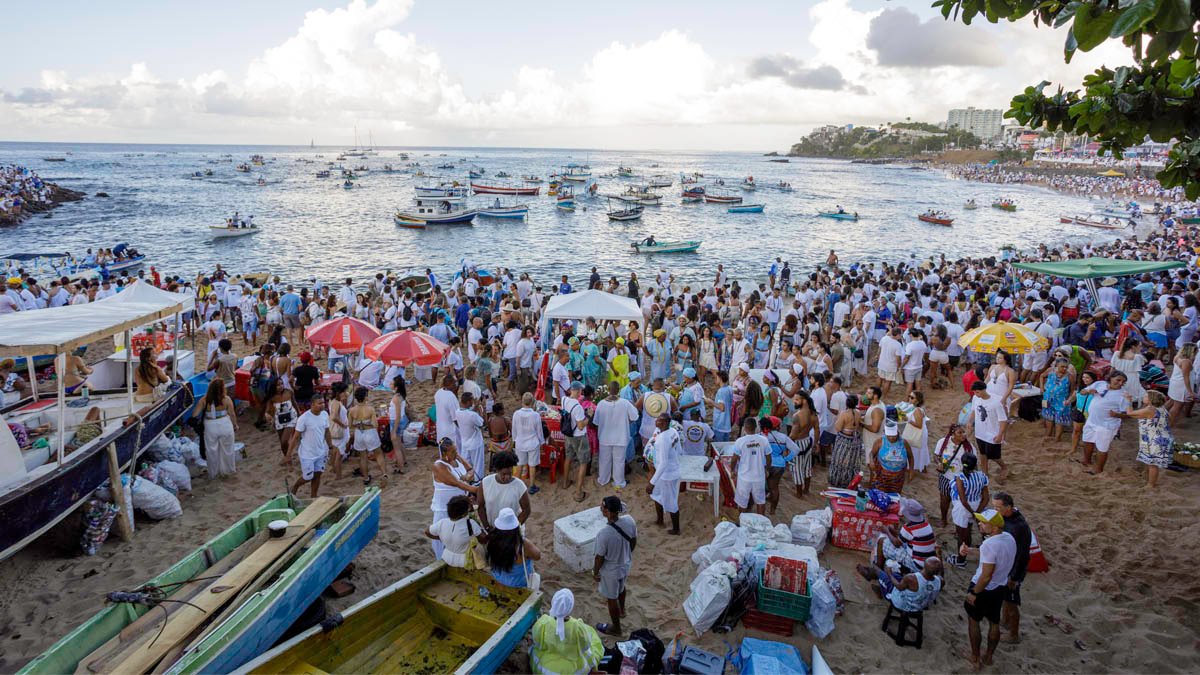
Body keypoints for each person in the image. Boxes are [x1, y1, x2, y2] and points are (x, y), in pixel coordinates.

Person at [961, 509, 1016, 671]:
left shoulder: (990, 544)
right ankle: (989, 656)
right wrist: (970, 551)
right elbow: (992, 556)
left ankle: (975, 657)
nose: (979, 523)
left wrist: (974, 593)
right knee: (994, 622)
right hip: (999, 587)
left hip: (983, 588)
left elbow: (986, 575)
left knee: (973, 621)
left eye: (983, 522)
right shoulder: (1008, 538)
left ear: (994, 527)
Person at [529, 588, 604, 675]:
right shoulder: (578, 627)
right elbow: (585, 646)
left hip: (547, 667)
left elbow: (537, 642)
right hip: (572, 669)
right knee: (592, 641)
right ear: (570, 607)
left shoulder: (543, 622)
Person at [593, 496, 637, 636]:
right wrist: (626, 554)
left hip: (611, 569)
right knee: (622, 587)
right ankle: (622, 610)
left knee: (611, 598)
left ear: (609, 512)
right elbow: (633, 541)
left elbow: (599, 557)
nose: (601, 508)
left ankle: (616, 628)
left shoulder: (604, 534)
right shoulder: (630, 521)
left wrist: (595, 572)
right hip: (625, 563)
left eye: (603, 507)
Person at [992, 492, 1031, 645]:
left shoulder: (1017, 527)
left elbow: (1021, 555)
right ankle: (1005, 621)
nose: (995, 511)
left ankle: (1014, 634)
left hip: (1014, 571)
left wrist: (1014, 577)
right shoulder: (1009, 518)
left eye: (998, 508)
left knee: (1011, 601)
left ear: (1008, 507)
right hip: (1007, 566)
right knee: (1005, 598)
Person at [431, 438, 479, 559]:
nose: (456, 453)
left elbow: (470, 469)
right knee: (443, 537)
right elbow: (456, 483)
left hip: (459, 506)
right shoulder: (439, 466)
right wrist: (475, 490)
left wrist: (466, 477)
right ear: (444, 453)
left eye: (456, 450)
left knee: (458, 536)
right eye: (452, 451)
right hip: (444, 509)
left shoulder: (456, 459)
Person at [1078, 371, 1130, 475]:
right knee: (1087, 441)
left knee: (1102, 448)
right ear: (1110, 378)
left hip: (1107, 425)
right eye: (1118, 380)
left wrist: (1117, 415)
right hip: (1091, 420)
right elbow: (1082, 392)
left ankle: (1098, 469)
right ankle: (1086, 461)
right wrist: (1088, 391)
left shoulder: (1123, 395)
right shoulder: (1100, 384)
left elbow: (1129, 414)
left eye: (1123, 382)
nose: (1120, 383)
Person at [594, 381, 639, 489]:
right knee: (619, 461)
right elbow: (635, 417)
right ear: (618, 390)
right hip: (621, 437)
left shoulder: (601, 404)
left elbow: (596, 422)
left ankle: (603, 479)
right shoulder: (625, 403)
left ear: (608, 390)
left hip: (605, 437)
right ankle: (619, 482)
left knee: (604, 460)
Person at [948, 453, 990, 568]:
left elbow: (963, 500)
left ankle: (961, 560)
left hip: (963, 508)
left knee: (962, 536)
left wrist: (972, 513)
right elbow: (986, 498)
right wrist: (977, 513)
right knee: (969, 529)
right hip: (977, 505)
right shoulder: (982, 476)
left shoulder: (960, 477)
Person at [1126, 390, 1173, 488]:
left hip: (1155, 440)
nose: (1144, 397)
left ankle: (1151, 484)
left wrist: (1128, 401)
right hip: (1159, 437)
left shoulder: (1150, 409)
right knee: (1150, 461)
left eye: (1146, 396)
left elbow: (1130, 413)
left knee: (1153, 464)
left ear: (1151, 399)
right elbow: (1138, 416)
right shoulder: (1161, 408)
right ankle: (1148, 479)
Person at [192, 378, 238, 478]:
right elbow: (232, 414)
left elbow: (194, 414)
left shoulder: (204, 400)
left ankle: (213, 473)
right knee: (228, 449)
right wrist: (235, 425)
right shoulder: (226, 399)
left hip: (210, 425)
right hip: (225, 424)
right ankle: (228, 470)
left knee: (212, 450)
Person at [287, 396, 331, 498]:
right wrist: (288, 454)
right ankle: (296, 487)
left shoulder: (325, 414)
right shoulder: (304, 418)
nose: (322, 405)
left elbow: (327, 431)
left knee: (318, 474)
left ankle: (313, 496)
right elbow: (296, 437)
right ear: (312, 404)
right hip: (307, 453)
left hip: (321, 451)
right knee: (308, 477)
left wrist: (331, 446)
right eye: (319, 403)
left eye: (323, 403)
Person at [424, 494, 484, 568]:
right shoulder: (471, 523)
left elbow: (427, 531)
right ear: (467, 509)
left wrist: (440, 538)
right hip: (465, 561)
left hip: (446, 557)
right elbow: (483, 540)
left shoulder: (442, 522)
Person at [487, 507, 541, 588]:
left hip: (498, 577)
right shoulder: (523, 544)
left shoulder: (493, 539)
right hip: (518, 582)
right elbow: (537, 556)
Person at [647, 415, 682, 534]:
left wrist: (652, 482)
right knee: (656, 495)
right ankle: (660, 520)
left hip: (667, 475)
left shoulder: (663, 440)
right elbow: (678, 449)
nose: (656, 421)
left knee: (671, 502)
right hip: (668, 471)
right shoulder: (673, 431)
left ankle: (676, 529)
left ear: (666, 423)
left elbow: (664, 463)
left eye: (659, 420)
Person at [478, 450, 531, 530]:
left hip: (512, 531)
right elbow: (481, 507)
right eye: (504, 474)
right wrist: (487, 527)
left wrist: (514, 528)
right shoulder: (485, 482)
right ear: (497, 470)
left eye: (510, 473)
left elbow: (526, 510)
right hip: (492, 529)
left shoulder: (519, 486)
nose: (507, 477)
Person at [934, 424, 974, 526]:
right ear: (953, 434)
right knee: (944, 499)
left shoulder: (969, 448)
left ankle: (960, 524)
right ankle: (944, 519)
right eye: (960, 433)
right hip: (946, 477)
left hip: (961, 479)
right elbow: (936, 455)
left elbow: (974, 464)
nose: (963, 435)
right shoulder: (943, 442)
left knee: (960, 503)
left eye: (964, 432)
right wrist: (939, 463)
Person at [967, 381, 1009, 479]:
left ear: (984, 390)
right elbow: (973, 410)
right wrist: (969, 421)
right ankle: (985, 473)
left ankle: (1004, 467)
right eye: (974, 392)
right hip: (980, 432)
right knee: (982, 453)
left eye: (977, 392)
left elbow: (1003, 420)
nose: (975, 394)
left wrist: (1000, 435)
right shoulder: (975, 398)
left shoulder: (996, 402)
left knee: (994, 456)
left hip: (992, 433)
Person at [349, 386, 388, 485]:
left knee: (363, 457)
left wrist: (359, 424)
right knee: (378, 454)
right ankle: (384, 474)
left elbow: (350, 425)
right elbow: (375, 425)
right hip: (370, 432)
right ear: (365, 397)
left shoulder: (352, 410)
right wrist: (367, 423)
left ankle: (366, 477)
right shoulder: (370, 409)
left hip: (359, 433)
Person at [730, 416, 768, 514]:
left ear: (744, 428)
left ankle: (742, 523)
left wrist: (732, 470)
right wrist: (767, 469)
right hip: (759, 476)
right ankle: (761, 524)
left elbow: (734, 458)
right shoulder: (763, 440)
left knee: (742, 502)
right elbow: (769, 457)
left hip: (744, 477)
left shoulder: (740, 441)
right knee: (760, 501)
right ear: (755, 427)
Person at [560, 381, 590, 503]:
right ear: (577, 391)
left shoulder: (563, 399)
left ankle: (565, 482)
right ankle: (578, 492)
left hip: (568, 434)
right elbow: (581, 425)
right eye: (580, 391)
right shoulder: (578, 407)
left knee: (568, 457)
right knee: (583, 462)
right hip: (579, 436)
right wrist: (588, 417)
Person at [761, 416, 799, 514]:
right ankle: (773, 510)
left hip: (765, 464)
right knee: (774, 488)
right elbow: (796, 449)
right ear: (777, 426)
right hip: (779, 465)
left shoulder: (763, 436)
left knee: (761, 488)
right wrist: (785, 459)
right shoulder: (783, 437)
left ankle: (761, 510)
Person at [511, 393, 545, 494]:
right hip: (532, 443)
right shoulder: (535, 415)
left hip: (520, 442)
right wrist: (542, 443)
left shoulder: (516, 413)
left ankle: (517, 486)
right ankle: (532, 486)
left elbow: (514, 429)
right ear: (532, 402)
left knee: (520, 464)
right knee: (532, 465)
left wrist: (514, 440)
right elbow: (539, 431)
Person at [828, 393, 863, 488]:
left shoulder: (844, 414)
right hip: (854, 440)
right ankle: (849, 480)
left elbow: (838, 428)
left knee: (840, 460)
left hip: (844, 439)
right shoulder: (858, 413)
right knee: (851, 461)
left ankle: (838, 481)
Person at [871, 420, 914, 494]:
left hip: (898, 476)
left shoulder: (904, 443)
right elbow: (872, 454)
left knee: (894, 496)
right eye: (889, 436)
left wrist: (911, 471)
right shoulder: (880, 442)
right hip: (882, 475)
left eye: (893, 436)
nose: (891, 438)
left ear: (897, 433)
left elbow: (910, 457)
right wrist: (871, 462)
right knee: (880, 494)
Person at [1038, 358, 1074, 442]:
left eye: (1066, 367)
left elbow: (1072, 390)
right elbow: (1041, 376)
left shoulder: (1070, 376)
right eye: (1062, 367)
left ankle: (1057, 438)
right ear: (1057, 365)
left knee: (1059, 420)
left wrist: (1068, 400)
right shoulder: (1050, 371)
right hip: (1046, 398)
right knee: (1047, 416)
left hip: (1061, 401)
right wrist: (1042, 387)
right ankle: (1048, 434)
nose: (1064, 369)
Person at [326, 382, 349, 479]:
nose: (345, 393)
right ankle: (338, 476)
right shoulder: (336, 403)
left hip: (335, 430)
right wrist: (343, 425)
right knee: (339, 455)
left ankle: (333, 469)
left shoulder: (332, 401)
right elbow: (334, 417)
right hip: (339, 430)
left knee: (335, 451)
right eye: (344, 391)